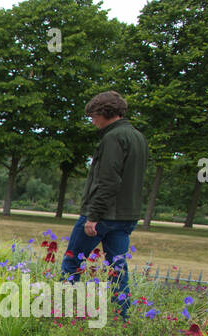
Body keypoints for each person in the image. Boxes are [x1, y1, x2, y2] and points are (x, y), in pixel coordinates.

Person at [62, 91, 148, 319]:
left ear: (104, 113)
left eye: (93, 115)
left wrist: (93, 216)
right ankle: (122, 317)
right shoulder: (137, 136)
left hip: (104, 215)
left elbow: (108, 181)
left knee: (72, 262)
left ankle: (64, 314)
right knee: (118, 270)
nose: (92, 121)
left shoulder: (113, 138)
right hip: (126, 215)